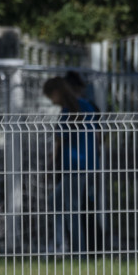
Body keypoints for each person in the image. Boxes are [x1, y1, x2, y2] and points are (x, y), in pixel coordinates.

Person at [43, 76, 99, 254]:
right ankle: (61, 244)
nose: (51, 101)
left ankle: (77, 251)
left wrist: (51, 163)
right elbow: (97, 135)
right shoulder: (86, 107)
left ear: (57, 92)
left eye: (50, 96)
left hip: (75, 165)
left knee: (72, 208)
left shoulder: (68, 111)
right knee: (56, 202)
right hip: (88, 164)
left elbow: (60, 140)